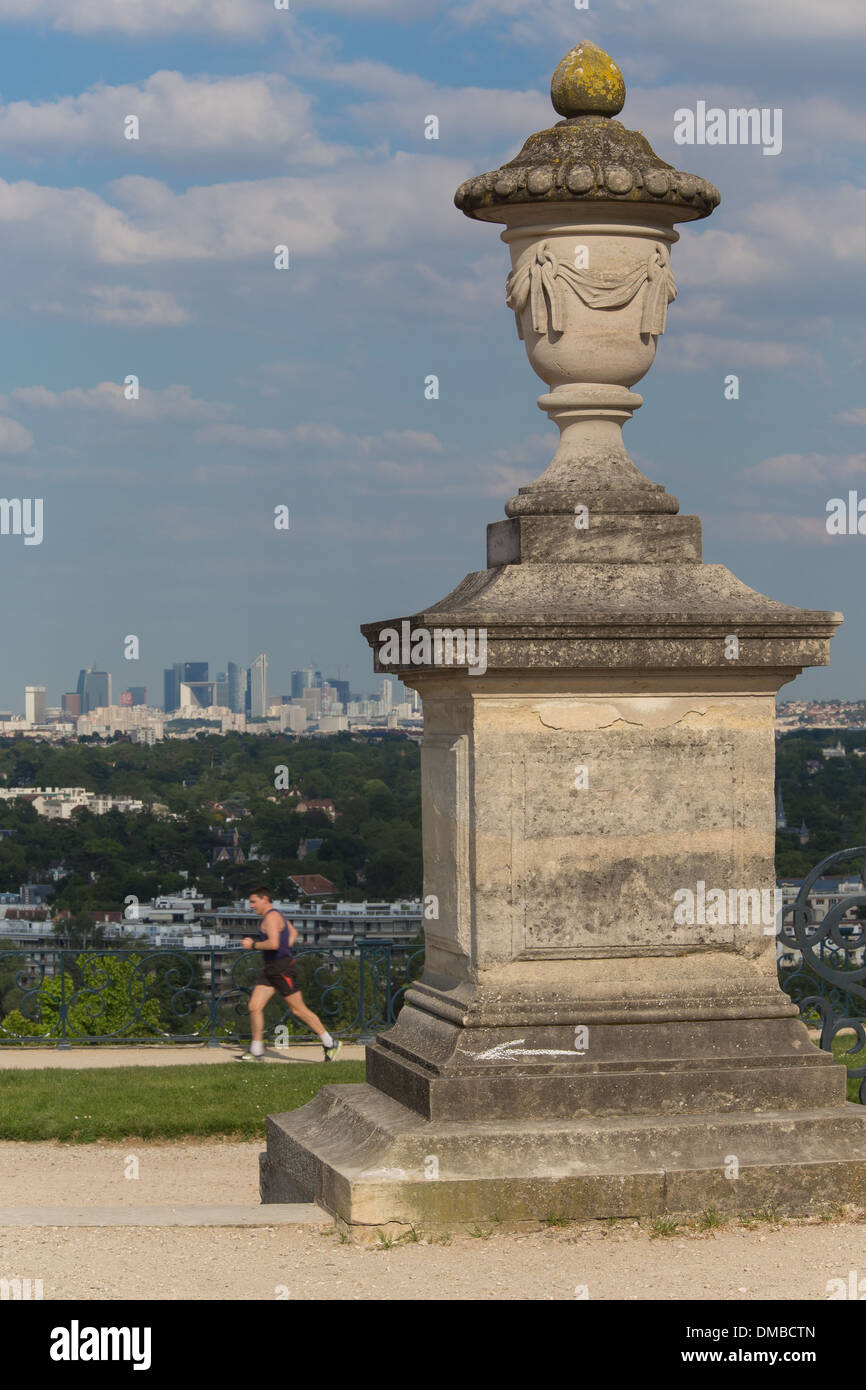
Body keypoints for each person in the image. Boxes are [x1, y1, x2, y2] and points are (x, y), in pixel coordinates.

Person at [236, 887, 342, 1063]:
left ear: (265, 899)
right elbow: (293, 933)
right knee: (254, 1006)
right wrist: (285, 951)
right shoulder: (276, 916)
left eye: (254, 902)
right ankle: (256, 1051)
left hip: (281, 969)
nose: (251, 906)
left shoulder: (271, 917)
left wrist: (253, 945)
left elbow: (274, 944)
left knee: (298, 1010)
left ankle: (330, 1043)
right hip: (272, 968)